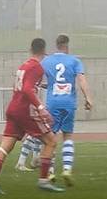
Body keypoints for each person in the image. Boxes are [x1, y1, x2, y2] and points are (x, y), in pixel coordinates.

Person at [0, 38, 64, 195]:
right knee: (51, 141)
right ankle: (44, 180)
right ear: (43, 50)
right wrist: (41, 108)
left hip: (13, 109)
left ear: (31, 49)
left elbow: (23, 86)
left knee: (5, 147)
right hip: (25, 111)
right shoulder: (37, 67)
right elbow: (28, 89)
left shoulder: (23, 66)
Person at [36, 35, 92, 186]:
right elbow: (81, 80)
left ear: (56, 45)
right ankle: (67, 170)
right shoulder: (74, 61)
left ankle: (51, 171)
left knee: (50, 138)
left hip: (52, 103)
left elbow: (39, 80)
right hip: (69, 103)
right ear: (66, 46)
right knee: (67, 136)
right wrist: (88, 98)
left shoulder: (47, 61)